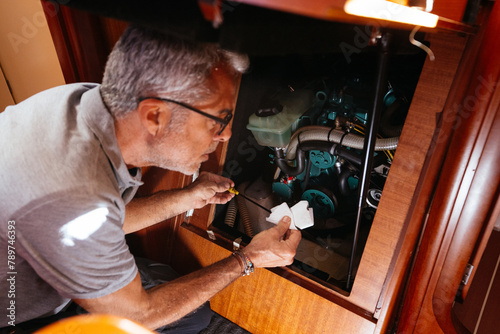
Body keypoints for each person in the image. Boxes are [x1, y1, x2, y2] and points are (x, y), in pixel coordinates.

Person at [0, 25, 301, 333]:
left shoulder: (84, 103)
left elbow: (103, 219)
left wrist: (187, 196)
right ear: (155, 116)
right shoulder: (74, 192)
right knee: (174, 318)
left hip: (50, 268)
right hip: (17, 317)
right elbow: (136, 316)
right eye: (219, 119)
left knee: (189, 310)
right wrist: (247, 259)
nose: (226, 136)